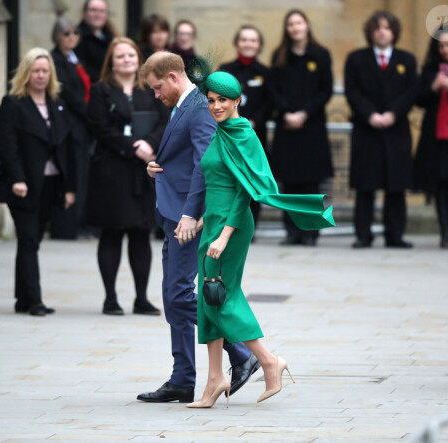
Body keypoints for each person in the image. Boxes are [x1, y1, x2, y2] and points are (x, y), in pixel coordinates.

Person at [186, 71, 334, 408]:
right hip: (213, 223)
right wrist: (201, 220)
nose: (216, 106)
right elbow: (215, 180)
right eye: (211, 100)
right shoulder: (221, 133)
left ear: (237, 100)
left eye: (222, 100)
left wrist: (223, 235)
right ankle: (213, 380)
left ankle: (269, 361)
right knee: (209, 297)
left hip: (231, 227)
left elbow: (245, 193)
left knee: (221, 295)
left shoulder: (244, 134)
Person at [137, 52, 261, 404]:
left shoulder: (198, 108)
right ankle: (183, 377)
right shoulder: (184, 106)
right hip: (174, 213)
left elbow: (206, 166)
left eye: (158, 87)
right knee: (172, 299)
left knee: (178, 296)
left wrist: (192, 216)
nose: (156, 95)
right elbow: (186, 158)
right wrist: (157, 167)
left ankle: (244, 353)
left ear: (174, 77)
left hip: (190, 220)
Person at [85, 37, 169, 316]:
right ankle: (110, 298)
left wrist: (151, 145)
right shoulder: (100, 91)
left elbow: (164, 120)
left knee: (140, 232)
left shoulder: (150, 89)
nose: (126, 60)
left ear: (139, 60)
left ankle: (141, 298)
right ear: (112, 60)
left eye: (131, 55)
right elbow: (100, 127)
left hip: (143, 171)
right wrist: (135, 147)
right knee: (111, 231)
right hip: (112, 170)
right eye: (120, 56)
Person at [0, 47, 76, 316]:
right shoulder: (13, 103)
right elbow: (7, 145)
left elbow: (66, 147)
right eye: (36, 71)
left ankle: (22, 298)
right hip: (23, 185)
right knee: (28, 240)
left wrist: (70, 188)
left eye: (45, 71)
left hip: (50, 184)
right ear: (26, 74)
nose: (41, 75)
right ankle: (35, 300)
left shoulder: (56, 104)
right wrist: (17, 178)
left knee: (32, 240)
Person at [345, 10, 417, 249]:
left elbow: (411, 92)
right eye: (377, 27)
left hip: (396, 130)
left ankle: (394, 235)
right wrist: (371, 114)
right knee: (366, 186)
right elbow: (352, 91)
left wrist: (393, 113)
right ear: (371, 32)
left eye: (387, 27)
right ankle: (363, 234)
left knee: (396, 186)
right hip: (367, 130)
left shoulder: (406, 60)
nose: (382, 31)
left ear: (394, 32)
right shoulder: (356, 59)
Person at [268, 10, 334, 246]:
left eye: (299, 23)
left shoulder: (321, 55)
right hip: (286, 128)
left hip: (311, 128)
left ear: (306, 26)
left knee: (311, 184)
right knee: (289, 184)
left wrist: (304, 113)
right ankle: (292, 231)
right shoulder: (279, 56)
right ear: (287, 29)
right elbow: (272, 90)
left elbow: (325, 90)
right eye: (291, 24)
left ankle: (311, 232)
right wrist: (286, 112)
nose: (295, 28)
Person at [415, 27, 448, 248]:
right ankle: (444, 233)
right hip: (437, 137)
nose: (446, 50)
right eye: (442, 46)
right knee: (441, 185)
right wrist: (434, 87)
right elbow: (418, 99)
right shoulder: (429, 71)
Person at [219, 25, 270, 232]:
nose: (248, 44)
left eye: (253, 40)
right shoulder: (226, 69)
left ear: (259, 45)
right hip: (229, 135)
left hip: (255, 136)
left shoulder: (265, 72)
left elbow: (269, 102)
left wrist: (254, 121)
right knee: (229, 180)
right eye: (244, 40)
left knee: (252, 181)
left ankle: (250, 227)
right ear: (237, 43)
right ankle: (226, 225)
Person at [50, 17, 93, 239]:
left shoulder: (75, 59)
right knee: (71, 176)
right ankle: (66, 227)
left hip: (81, 126)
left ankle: (79, 222)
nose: (71, 37)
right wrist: (90, 112)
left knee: (81, 175)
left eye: (75, 33)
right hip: (69, 125)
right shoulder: (55, 60)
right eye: (66, 33)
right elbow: (67, 93)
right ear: (57, 36)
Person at [75, 0, 117, 83]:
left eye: (102, 11)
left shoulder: (113, 38)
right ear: (84, 13)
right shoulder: (76, 38)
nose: (98, 15)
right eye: (93, 10)